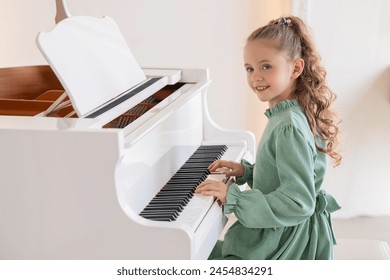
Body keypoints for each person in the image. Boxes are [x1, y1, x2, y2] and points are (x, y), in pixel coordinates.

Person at [195, 15, 342, 260]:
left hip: (285, 240)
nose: (256, 77)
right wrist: (247, 172)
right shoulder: (289, 113)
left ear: (296, 68)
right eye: (249, 68)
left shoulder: (289, 126)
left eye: (266, 66)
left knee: (189, 256)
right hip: (285, 228)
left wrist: (235, 198)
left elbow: (297, 202)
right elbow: (284, 174)